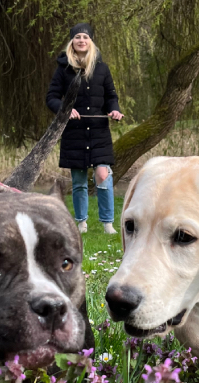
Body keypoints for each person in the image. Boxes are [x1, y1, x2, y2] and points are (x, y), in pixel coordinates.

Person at [46, 23, 124, 234]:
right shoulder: (63, 69)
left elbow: (111, 97)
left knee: (103, 175)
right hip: (75, 132)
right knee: (79, 180)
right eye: (78, 37)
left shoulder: (102, 69)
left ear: (91, 42)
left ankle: (107, 223)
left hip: (99, 131)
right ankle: (81, 223)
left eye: (85, 37)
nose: (82, 40)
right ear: (72, 42)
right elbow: (51, 98)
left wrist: (114, 110)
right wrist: (65, 110)